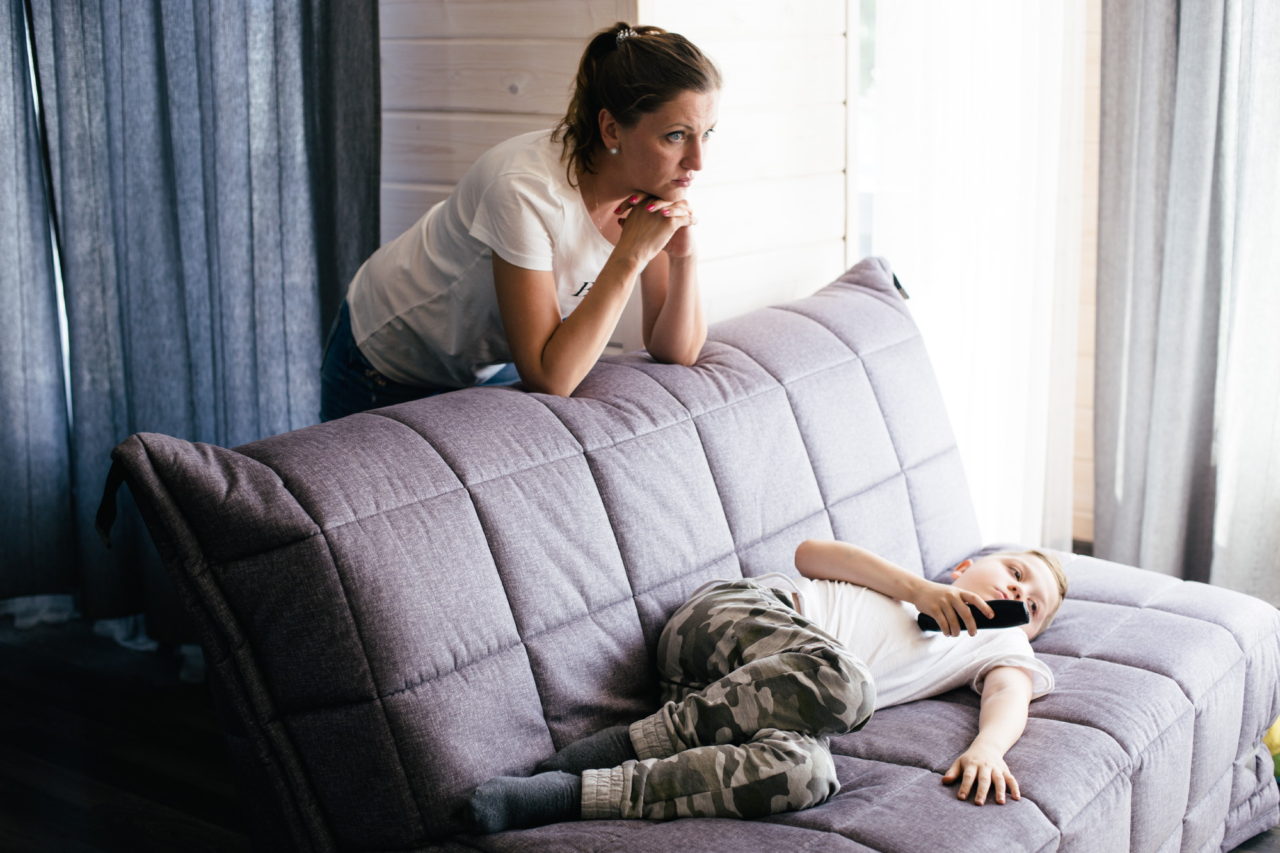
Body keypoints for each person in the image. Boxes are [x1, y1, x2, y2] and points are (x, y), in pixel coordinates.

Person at [464, 541, 1068, 832]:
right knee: (850, 685)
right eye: (1015, 572)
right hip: (725, 623)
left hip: (721, 703)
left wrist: (988, 749)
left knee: (810, 775)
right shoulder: (904, 581)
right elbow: (810, 554)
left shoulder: (999, 646)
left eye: (1032, 605)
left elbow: (1008, 695)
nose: (1018, 591)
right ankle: (630, 742)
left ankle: (575, 793)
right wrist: (918, 590)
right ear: (965, 567)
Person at [320, 23, 719, 421]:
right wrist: (629, 257)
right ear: (612, 129)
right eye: (676, 135)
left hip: (491, 360)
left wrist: (683, 257)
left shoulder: (656, 183)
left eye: (706, 134)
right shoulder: (525, 189)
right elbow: (551, 379)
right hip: (391, 356)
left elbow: (677, 351)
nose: (697, 161)